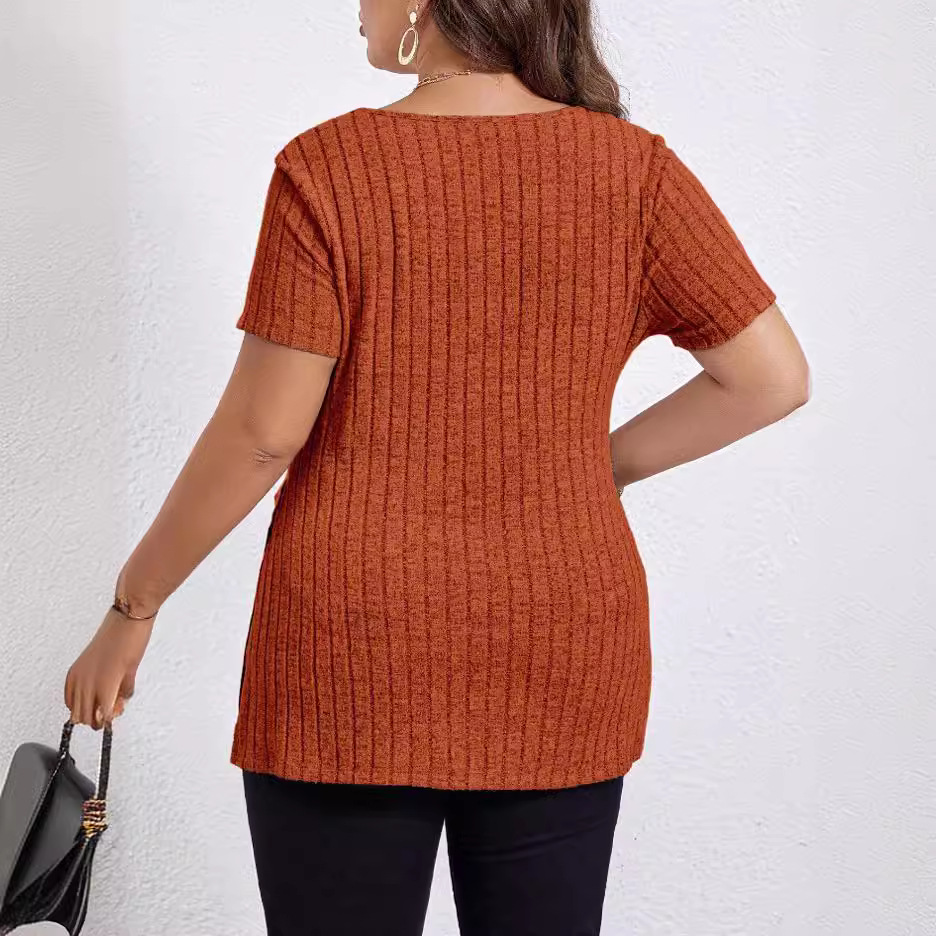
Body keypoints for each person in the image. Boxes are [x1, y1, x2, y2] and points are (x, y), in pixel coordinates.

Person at [63, 1, 810, 933]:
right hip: (561, 640)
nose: (356, 9)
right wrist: (589, 469)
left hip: (352, 652)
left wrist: (134, 605)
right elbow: (769, 380)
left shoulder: (330, 167)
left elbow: (262, 433)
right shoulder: (635, 170)